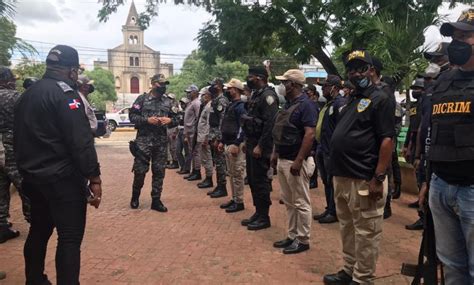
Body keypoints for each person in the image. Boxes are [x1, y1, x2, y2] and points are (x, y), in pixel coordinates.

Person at [14, 45, 102, 285]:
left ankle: (34, 280)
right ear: (72, 71)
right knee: (70, 238)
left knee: (39, 231)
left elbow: (17, 138)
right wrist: (94, 177)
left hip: (33, 179)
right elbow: (80, 141)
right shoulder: (66, 95)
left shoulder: (27, 95)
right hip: (62, 180)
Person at [324, 50, 395, 285]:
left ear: (372, 70)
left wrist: (378, 177)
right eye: (351, 69)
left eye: (361, 68)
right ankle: (349, 269)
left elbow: (387, 139)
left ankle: (363, 278)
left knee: (366, 232)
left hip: (365, 178)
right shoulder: (353, 98)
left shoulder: (381, 97)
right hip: (342, 175)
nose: (355, 73)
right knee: (347, 228)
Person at [423, 10, 474, 284]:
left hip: (471, 190)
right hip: (440, 185)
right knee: (452, 266)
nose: (456, 42)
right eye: (454, 36)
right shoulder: (443, 81)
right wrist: (427, 181)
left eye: (465, 36)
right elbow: (433, 131)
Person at [271, 69, 317, 254]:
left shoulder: (307, 105)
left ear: (295, 85)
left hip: (296, 162)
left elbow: (310, 134)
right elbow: (280, 131)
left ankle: (303, 239)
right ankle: (292, 235)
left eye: (285, 82)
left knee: (301, 203)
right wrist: (275, 153)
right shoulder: (289, 104)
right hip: (284, 158)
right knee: (289, 202)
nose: (283, 86)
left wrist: (299, 160)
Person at [129, 74, 178, 212]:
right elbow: (132, 116)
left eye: (164, 84)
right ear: (153, 83)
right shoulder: (142, 99)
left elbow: (178, 118)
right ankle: (135, 196)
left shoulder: (169, 101)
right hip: (143, 142)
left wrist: (170, 121)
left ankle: (156, 201)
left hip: (161, 143)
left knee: (159, 172)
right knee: (140, 171)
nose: (163, 87)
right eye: (160, 84)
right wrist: (146, 120)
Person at [241, 67, 279, 231]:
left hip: (261, 146)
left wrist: (260, 146)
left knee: (261, 181)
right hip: (251, 142)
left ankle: (264, 216)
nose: (248, 79)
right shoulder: (256, 94)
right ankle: (258, 212)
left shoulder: (268, 96)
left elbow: (270, 124)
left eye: (251, 77)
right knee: (253, 179)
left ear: (259, 77)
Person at [0, 66, 30, 244]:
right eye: (12, 79)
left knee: (0, 189)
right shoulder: (16, 97)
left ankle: (2, 226)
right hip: (13, 148)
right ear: (6, 80)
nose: (14, 83)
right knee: (25, 185)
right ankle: (34, 220)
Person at [313, 74, 345, 224]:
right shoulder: (328, 104)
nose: (323, 89)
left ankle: (334, 211)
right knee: (326, 181)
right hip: (322, 147)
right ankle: (329, 208)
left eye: (326, 86)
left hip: (330, 150)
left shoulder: (339, 104)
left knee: (332, 182)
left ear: (334, 88)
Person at [218, 79, 247, 212]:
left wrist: (237, 143)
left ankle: (239, 201)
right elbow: (226, 125)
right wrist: (222, 141)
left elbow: (243, 126)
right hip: (228, 143)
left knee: (237, 174)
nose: (228, 91)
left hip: (236, 145)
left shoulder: (241, 106)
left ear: (235, 89)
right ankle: (234, 198)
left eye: (230, 89)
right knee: (232, 173)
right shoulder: (231, 105)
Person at [403, 78, 425, 231]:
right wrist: (406, 145)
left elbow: (421, 129)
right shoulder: (414, 107)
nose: (415, 91)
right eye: (414, 88)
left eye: (418, 88)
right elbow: (411, 127)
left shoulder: (426, 104)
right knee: (418, 176)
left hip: (422, 146)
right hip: (413, 143)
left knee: (423, 178)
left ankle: (423, 216)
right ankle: (420, 202)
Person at [207, 78, 229, 198]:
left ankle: (222, 187)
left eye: (213, 85)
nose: (211, 87)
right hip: (212, 134)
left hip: (217, 135)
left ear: (219, 86)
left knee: (220, 163)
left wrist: (219, 139)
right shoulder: (215, 100)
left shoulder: (222, 100)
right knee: (217, 162)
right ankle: (219, 185)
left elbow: (223, 120)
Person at [195, 87, 214, 189]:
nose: (202, 97)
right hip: (201, 136)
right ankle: (207, 177)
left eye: (203, 95)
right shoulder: (206, 106)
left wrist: (206, 137)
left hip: (204, 137)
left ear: (208, 95)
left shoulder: (210, 106)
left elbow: (208, 124)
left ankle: (209, 178)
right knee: (204, 158)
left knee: (207, 158)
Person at [183, 84, 202, 180]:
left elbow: (198, 118)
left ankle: (197, 171)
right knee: (192, 152)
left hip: (193, 131)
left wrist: (195, 131)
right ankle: (194, 171)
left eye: (189, 92)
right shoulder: (191, 103)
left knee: (196, 152)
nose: (188, 94)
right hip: (189, 131)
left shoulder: (196, 103)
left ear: (195, 92)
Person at [176, 97, 190, 174]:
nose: (182, 104)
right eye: (181, 103)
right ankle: (182, 166)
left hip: (186, 131)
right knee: (178, 151)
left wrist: (187, 135)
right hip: (179, 131)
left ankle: (187, 169)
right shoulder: (180, 112)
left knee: (187, 152)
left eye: (184, 103)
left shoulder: (189, 112)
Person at [165, 93, 180, 169]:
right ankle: (169, 161)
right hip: (168, 127)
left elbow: (176, 118)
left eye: (170, 98)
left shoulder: (174, 107)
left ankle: (175, 162)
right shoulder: (167, 106)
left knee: (173, 146)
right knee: (168, 146)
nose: (168, 100)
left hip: (173, 127)